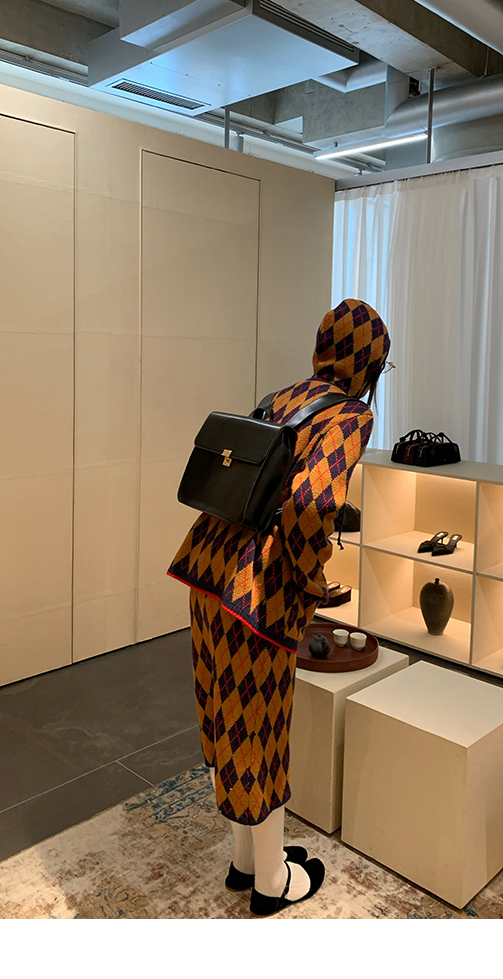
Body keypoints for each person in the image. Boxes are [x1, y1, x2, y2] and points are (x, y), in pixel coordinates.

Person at [167, 298, 390, 916]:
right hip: (258, 592)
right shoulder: (350, 413)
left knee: (228, 719)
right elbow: (312, 504)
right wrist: (308, 577)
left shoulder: (281, 396)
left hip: (207, 569)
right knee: (260, 729)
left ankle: (246, 861)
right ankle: (272, 882)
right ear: (370, 363)